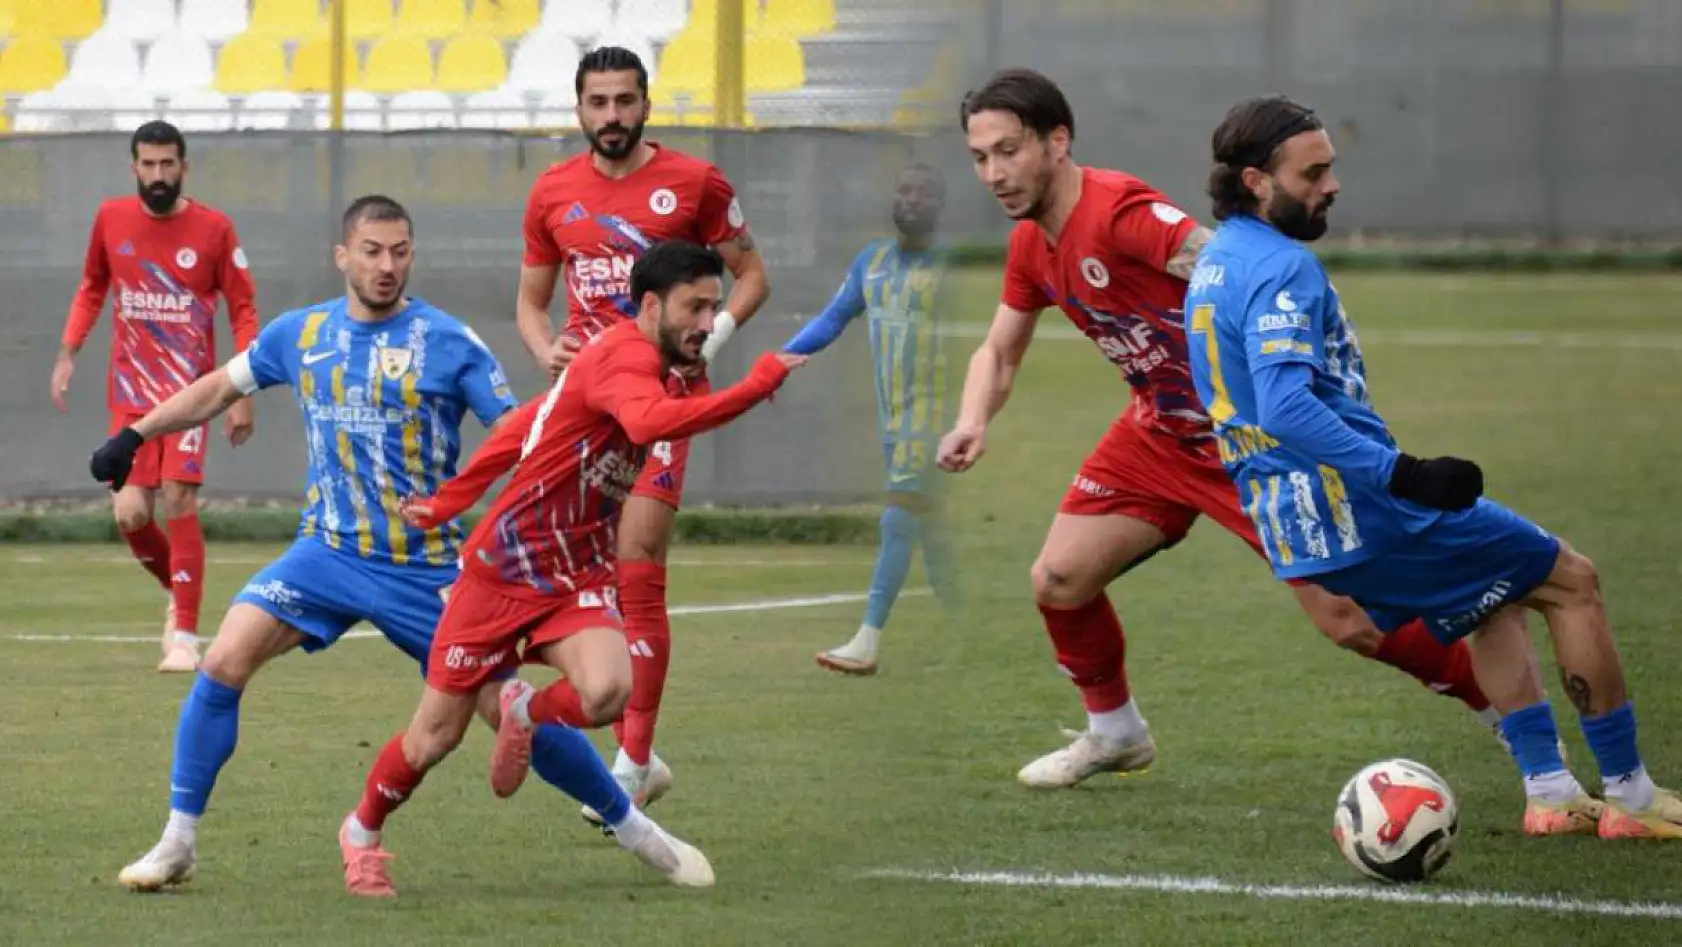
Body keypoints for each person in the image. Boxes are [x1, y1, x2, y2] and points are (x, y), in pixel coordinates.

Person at [937, 68, 1497, 792]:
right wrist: (972, 419)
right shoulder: (1030, 247)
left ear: (1058, 140)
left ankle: (1509, 715)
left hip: (1251, 444)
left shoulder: (1119, 212)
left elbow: (1233, 263)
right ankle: (1116, 732)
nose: (993, 172)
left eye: (1008, 150)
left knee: (1351, 620)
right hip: (1160, 434)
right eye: (980, 157)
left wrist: (1294, 354)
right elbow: (999, 350)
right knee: (1059, 578)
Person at [99, 196, 659, 892]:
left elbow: (522, 434)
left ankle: (635, 826)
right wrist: (136, 433)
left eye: (399, 251)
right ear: (344, 256)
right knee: (224, 656)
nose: (386, 265)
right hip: (325, 554)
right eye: (371, 250)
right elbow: (219, 387)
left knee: (502, 708)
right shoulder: (299, 334)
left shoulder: (450, 342)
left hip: (426, 570)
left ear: (412, 255)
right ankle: (178, 840)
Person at [1186, 94, 1677, 838]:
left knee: (1491, 597)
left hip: (1295, 521)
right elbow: (1285, 406)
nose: (1331, 185)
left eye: (1331, 168)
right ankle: (1632, 797)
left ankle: (1549, 791)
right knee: (1571, 580)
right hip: (1368, 506)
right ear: (1257, 180)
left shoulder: (1218, 260)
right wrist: (1404, 475)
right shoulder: (1284, 267)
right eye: (1313, 172)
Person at [337, 241, 803, 896]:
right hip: (502, 573)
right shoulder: (623, 358)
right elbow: (645, 423)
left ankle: (523, 711)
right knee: (431, 739)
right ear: (650, 304)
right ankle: (361, 832)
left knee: (611, 687)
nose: (708, 323)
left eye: (714, 307)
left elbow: (530, 421)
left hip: (573, 572)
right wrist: (754, 386)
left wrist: (454, 496)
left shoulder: (651, 365)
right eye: (695, 307)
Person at [515, 45, 771, 815]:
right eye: (599, 102)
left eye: (626, 100)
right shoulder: (553, 191)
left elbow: (752, 274)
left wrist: (708, 340)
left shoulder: (695, 182)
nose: (613, 116)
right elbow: (531, 302)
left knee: (637, 558)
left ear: (647, 104)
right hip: (584, 415)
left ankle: (631, 757)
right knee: (572, 567)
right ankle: (628, 741)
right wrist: (544, 348)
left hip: (664, 405)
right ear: (580, 109)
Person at [55, 120, 259, 673]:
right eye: (148, 164)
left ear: (184, 168)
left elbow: (243, 308)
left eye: (168, 164)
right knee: (128, 513)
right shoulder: (111, 219)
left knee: (179, 497)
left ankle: (186, 637)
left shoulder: (214, 230)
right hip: (131, 397)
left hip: (193, 393)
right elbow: (93, 285)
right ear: (134, 168)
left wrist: (242, 388)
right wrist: (69, 351)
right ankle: (181, 591)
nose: (158, 174)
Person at [784, 163, 958, 675]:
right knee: (932, 533)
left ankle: (867, 640)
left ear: (940, 206)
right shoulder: (873, 262)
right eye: (904, 189)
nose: (911, 199)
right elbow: (833, 318)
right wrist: (782, 360)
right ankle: (981, 634)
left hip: (934, 418)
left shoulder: (951, 266)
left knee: (899, 518)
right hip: (894, 421)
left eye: (924, 192)